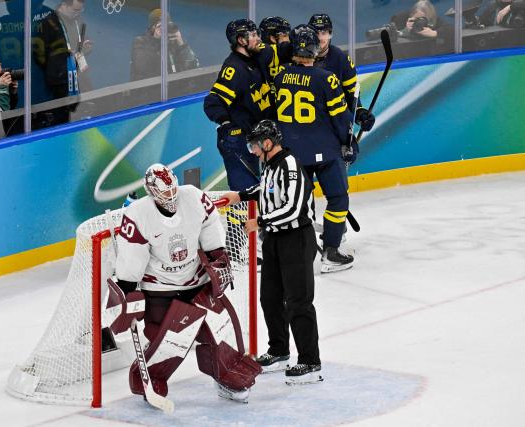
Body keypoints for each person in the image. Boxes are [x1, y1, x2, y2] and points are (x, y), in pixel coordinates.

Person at [106, 163, 261, 404]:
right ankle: (148, 376)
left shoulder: (194, 197)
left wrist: (216, 254)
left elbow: (210, 223)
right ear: (151, 192)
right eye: (164, 193)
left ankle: (225, 377)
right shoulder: (138, 214)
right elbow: (131, 257)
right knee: (169, 342)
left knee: (217, 334)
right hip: (160, 289)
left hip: (198, 282)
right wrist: (128, 290)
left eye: (172, 190)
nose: (170, 196)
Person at [223, 120, 323, 385]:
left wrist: (261, 222)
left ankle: (310, 361)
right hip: (275, 240)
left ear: (268, 143)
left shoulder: (290, 165)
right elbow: (267, 191)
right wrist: (241, 196)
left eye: (254, 145)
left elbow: (294, 209)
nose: (252, 150)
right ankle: (279, 351)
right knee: (270, 297)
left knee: (298, 301)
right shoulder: (269, 165)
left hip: (296, 239)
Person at [274, 25, 357, 273]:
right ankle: (330, 251)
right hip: (325, 151)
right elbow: (340, 118)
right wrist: (348, 142)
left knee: (299, 204)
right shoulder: (326, 78)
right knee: (338, 197)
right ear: (313, 49)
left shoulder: (280, 77)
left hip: (291, 154)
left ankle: (302, 253)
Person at [203, 19, 275, 192]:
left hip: (262, 136)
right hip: (243, 140)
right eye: (252, 35)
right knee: (245, 195)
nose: (258, 38)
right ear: (241, 41)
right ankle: (240, 220)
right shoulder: (234, 68)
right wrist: (227, 124)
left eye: (257, 33)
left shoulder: (256, 58)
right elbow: (213, 102)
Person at [308, 13, 375, 131]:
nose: (319, 38)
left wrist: (360, 114)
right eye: (315, 33)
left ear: (330, 34)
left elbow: (352, 96)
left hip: (331, 128)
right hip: (304, 126)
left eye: (323, 33)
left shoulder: (341, 59)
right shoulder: (297, 58)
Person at [34, 0, 92, 127]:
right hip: (59, 79)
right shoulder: (48, 23)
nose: (77, 13)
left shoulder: (77, 20)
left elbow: (84, 38)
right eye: (75, 10)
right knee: (62, 117)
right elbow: (39, 54)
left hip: (77, 74)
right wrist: (55, 66)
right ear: (64, 5)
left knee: (80, 109)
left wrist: (86, 47)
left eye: (80, 10)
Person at [130, 9, 199, 81]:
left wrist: (181, 44)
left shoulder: (174, 41)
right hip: (149, 88)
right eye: (160, 25)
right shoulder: (140, 42)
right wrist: (157, 39)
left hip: (176, 89)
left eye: (167, 25)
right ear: (153, 28)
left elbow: (194, 66)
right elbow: (144, 67)